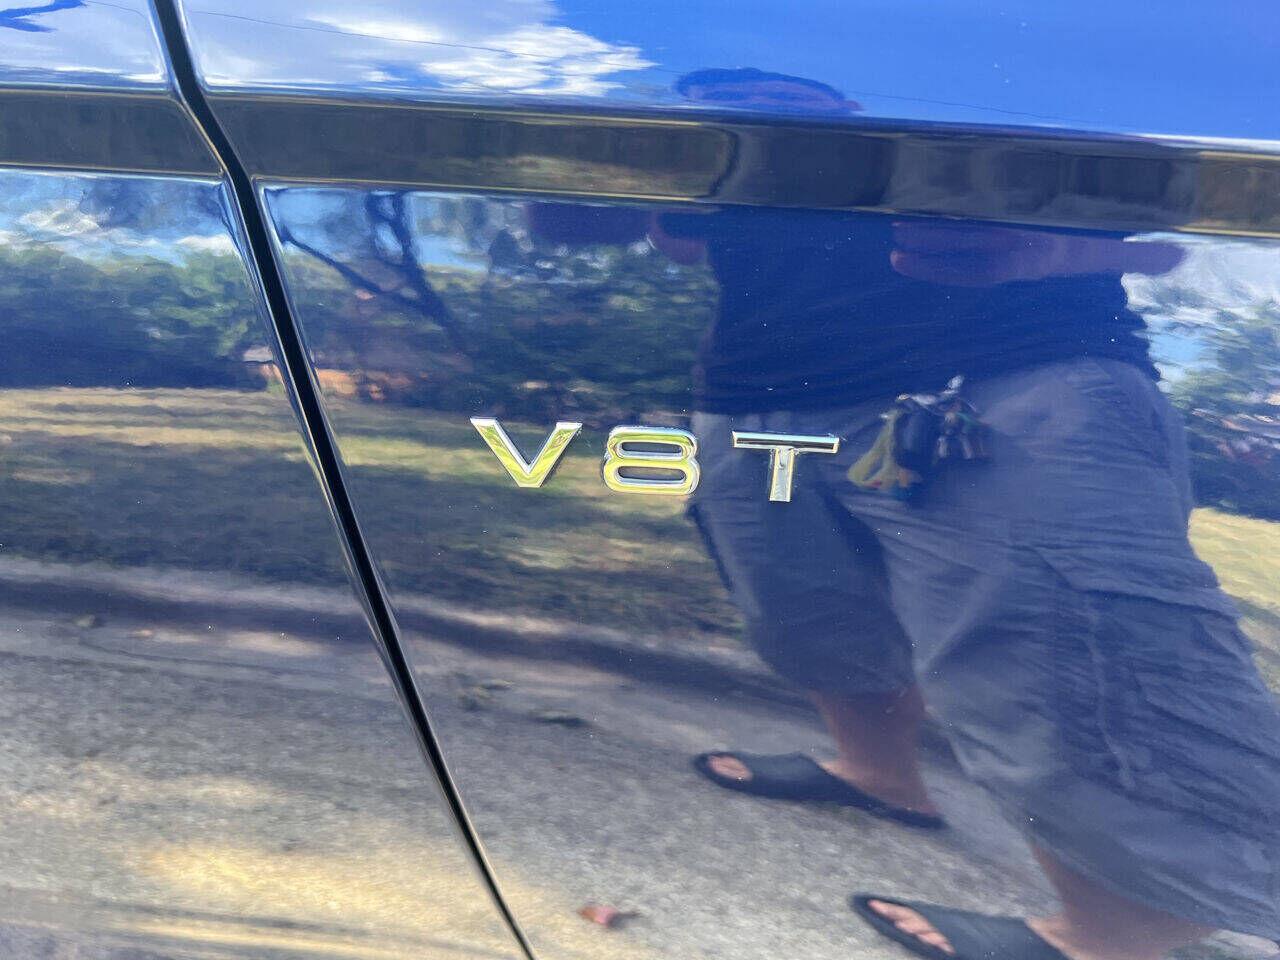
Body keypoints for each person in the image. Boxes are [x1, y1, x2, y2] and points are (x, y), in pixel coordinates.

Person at [663, 68, 1280, 960]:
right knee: (805, 613)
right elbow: (670, 245)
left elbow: (1182, 249)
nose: (752, 99)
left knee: (1052, 659)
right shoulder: (723, 153)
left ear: (846, 100)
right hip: (753, 396)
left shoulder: (967, 99)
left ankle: (1119, 932)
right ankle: (878, 774)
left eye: (780, 88)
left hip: (1011, 378)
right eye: (726, 90)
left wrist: (1056, 253)